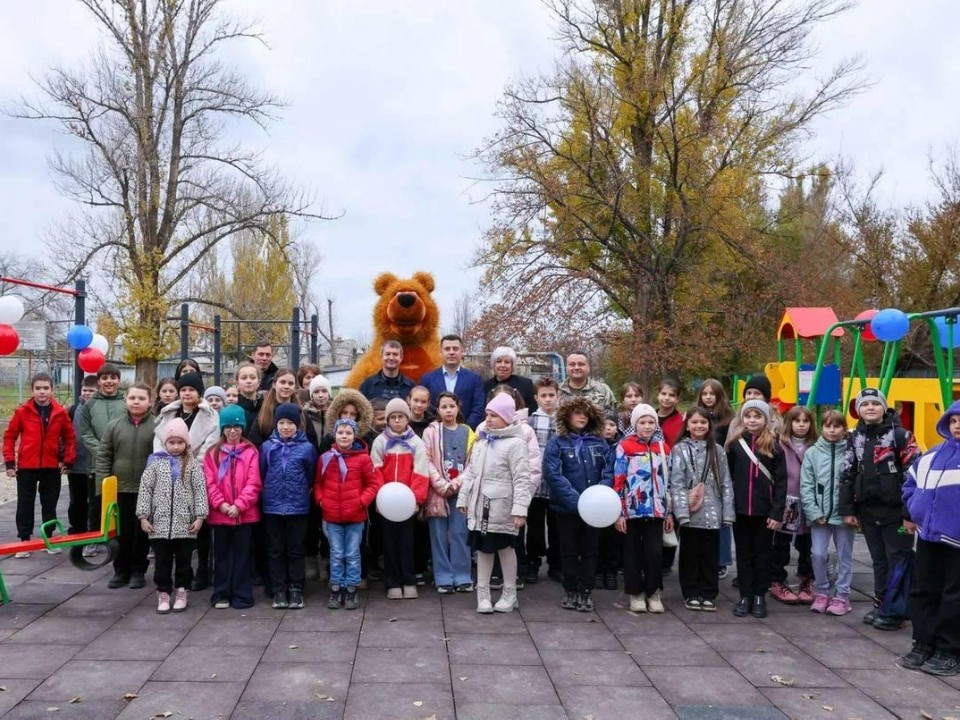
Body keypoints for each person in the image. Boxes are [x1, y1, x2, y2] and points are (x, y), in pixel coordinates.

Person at [839, 387, 921, 630]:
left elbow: (915, 475)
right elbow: (847, 473)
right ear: (858, 410)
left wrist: (910, 514)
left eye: (876, 403)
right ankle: (882, 603)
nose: (870, 408)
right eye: (865, 404)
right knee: (878, 561)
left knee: (899, 559)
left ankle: (898, 611)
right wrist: (848, 509)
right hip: (869, 510)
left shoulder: (901, 436)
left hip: (897, 512)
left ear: (884, 407)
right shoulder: (855, 437)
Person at [899, 400, 960, 676]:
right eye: (954, 420)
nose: (958, 426)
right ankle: (923, 642)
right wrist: (913, 510)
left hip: (957, 540)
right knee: (924, 589)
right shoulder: (932, 456)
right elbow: (910, 482)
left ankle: (949, 650)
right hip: (929, 536)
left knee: (954, 594)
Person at [457, 393, 532, 613]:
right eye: (487, 415)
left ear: (507, 418)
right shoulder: (481, 441)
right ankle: (483, 593)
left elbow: (521, 478)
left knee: (505, 548)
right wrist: (464, 498)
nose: (488, 419)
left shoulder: (516, 444)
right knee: (482, 549)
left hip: (502, 508)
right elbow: (470, 472)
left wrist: (520, 509)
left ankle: (510, 593)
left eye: (495, 415)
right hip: (480, 508)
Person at [543, 396, 615, 611]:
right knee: (569, 550)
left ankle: (586, 589)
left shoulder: (600, 443)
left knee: (591, 550)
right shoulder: (557, 442)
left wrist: (597, 500)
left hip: (595, 511)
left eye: (585, 413)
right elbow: (553, 474)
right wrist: (577, 502)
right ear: (567, 416)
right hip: (567, 509)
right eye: (577, 413)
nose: (582, 417)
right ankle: (571, 588)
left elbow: (609, 472)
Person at [153, 371, 220, 591]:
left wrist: (189, 466)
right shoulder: (169, 413)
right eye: (183, 390)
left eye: (191, 389)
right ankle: (180, 572)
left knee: (198, 525)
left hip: (195, 474)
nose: (187, 393)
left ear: (199, 392)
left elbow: (210, 446)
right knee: (175, 525)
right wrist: (167, 465)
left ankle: (202, 570)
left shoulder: (209, 415)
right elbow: (159, 443)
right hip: (167, 476)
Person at [136, 418, 208, 614]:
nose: (176, 447)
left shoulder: (193, 466)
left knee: (184, 562)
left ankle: (182, 590)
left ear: (186, 443)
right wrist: (144, 516)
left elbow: (200, 491)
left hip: (185, 525)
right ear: (165, 443)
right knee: (162, 562)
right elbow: (146, 490)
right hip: (159, 524)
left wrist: (200, 516)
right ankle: (163, 592)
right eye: (171, 442)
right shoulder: (155, 464)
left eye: (180, 442)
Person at [725, 399, 787, 618]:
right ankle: (745, 595)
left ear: (765, 419)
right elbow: (728, 477)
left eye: (757, 416)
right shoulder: (734, 445)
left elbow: (781, 482)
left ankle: (760, 595)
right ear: (743, 418)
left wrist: (777, 512)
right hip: (741, 510)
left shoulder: (775, 446)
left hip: (764, 511)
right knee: (743, 554)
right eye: (748, 416)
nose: (752, 420)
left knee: (763, 554)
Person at [3, 373, 76, 555]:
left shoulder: (60, 413)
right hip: (27, 466)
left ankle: (48, 539)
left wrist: (67, 460)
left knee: (49, 503)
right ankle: (25, 541)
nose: (42, 392)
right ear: (32, 390)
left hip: (51, 466)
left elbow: (69, 437)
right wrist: (10, 462)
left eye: (45, 388)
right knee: (25, 504)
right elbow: (10, 436)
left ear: (52, 390)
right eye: (38, 388)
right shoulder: (22, 412)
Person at [671, 407, 734, 612]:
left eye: (703, 422)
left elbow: (726, 483)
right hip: (690, 511)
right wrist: (681, 513)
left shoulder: (718, 450)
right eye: (694, 422)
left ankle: (708, 592)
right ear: (687, 426)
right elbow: (677, 483)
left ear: (709, 426)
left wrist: (728, 513)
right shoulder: (679, 449)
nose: (699, 426)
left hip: (713, 511)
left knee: (710, 555)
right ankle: (690, 592)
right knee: (689, 555)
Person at [315, 418, 383, 610]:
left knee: (353, 553)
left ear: (354, 436)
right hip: (332, 516)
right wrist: (321, 500)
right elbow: (318, 483)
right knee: (336, 553)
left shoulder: (362, 459)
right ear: (334, 435)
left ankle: (352, 589)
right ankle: (336, 588)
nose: (344, 436)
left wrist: (361, 501)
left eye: (348, 433)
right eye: (340, 433)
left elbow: (372, 484)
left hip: (355, 516)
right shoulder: (326, 458)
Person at [96, 382, 157, 590]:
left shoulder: (157, 427)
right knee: (120, 533)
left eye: (141, 398)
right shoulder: (114, 426)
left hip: (146, 490)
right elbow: (104, 456)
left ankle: (138, 571)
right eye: (132, 398)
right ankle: (120, 570)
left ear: (150, 401)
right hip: (119, 489)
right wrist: (102, 487)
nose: (136, 402)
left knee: (142, 534)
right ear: (125, 400)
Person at [614, 404, 672, 613]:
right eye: (642, 422)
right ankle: (635, 592)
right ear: (635, 424)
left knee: (655, 553)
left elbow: (669, 481)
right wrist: (619, 512)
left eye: (651, 422)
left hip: (656, 510)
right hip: (631, 510)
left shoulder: (663, 448)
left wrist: (669, 512)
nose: (647, 427)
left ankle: (653, 591)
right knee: (632, 552)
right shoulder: (625, 446)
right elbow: (619, 479)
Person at [260, 403, 318, 609]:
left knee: (295, 549)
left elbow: (311, 474)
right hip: (273, 506)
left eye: (290, 423)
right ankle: (278, 589)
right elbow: (263, 472)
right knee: (275, 550)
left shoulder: (307, 448)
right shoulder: (267, 447)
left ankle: (296, 588)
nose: (286, 427)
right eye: (282, 423)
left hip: (297, 507)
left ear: (297, 425)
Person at [204, 405, 262, 610]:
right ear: (222, 428)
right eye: (228, 427)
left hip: (245, 515)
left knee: (242, 555)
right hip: (221, 515)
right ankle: (221, 592)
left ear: (243, 427)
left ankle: (242, 593)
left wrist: (239, 505)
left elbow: (253, 482)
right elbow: (209, 482)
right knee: (221, 556)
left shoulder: (251, 452)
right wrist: (221, 504)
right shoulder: (213, 453)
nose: (232, 431)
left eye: (237, 426)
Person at [370, 398, 430, 599]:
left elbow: (421, 472)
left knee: (407, 542)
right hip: (387, 504)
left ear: (407, 419)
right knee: (388, 542)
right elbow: (375, 471)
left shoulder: (416, 443)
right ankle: (392, 581)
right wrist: (380, 499)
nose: (397, 421)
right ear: (387, 420)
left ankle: (409, 579)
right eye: (393, 417)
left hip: (407, 504)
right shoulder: (380, 442)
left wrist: (417, 500)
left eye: (401, 417)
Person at [799, 410, 853, 616]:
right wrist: (813, 511)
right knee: (818, 553)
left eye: (837, 426)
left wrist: (851, 510)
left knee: (844, 555)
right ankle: (821, 590)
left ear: (844, 429)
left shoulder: (850, 451)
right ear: (822, 427)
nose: (832, 430)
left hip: (843, 513)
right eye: (828, 426)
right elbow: (807, 485)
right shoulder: (812, 453)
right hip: (819, 514)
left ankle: (842, 595)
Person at [422, 392, 475, 593]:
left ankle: (462, 575)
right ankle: (443, 576)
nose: (448, 410)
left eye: (451, 406)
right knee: (438, 534)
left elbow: (472, 463)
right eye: (443, 407)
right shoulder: (431, 432)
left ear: (458, 407)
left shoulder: (468, 432)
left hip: (460, 491)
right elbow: (425, 459)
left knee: (460, 532)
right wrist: (441, 484)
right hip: (437, 491)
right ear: (438, 409)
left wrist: (457, 483)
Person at [770, 405, 817, 605]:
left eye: (805, 421)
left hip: (808, 500)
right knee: (780, 543)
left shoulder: (816, 445)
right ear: (790, 423)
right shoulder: (779, 444)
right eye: (797, 421)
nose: (801, 425)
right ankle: (777, 579)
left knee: (808, 543)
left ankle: (807, 578)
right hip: (787, 500)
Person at [696, 379, 735, 577]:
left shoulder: (728, 419)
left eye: (712, 393)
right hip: (699, 472)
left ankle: (721, 560)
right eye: (705, 393)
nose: (708, 397)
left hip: (720, 472)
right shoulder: (696, 416)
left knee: (720, 518)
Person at [527, 376, 561, 583]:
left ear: (558, 397)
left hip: (557, 483)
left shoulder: (564, 420)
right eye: (544, 396)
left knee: (557, 525)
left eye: (551, 395)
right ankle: (533, 561)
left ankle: (556, 564)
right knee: (535, 525)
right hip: (536, 483)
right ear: (536, 398)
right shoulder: (530, 421)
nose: (548, 399)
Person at [302, 373, 332, 582]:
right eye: (317, 392)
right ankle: (310, 557)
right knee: (311, 519)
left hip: (331, 474)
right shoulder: (304, 416)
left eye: (324, 391)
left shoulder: (335, 415)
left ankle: (328, 559)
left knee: (329, 519)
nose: (320, 396)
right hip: (310, 473)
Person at [420, 334, 486, 428]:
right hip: (435, 433)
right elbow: (425, 407)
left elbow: (478, 408)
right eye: (447, 349)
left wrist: (464, 430)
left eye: (455, 349)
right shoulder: (427, 379)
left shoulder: (475, 379)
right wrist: (436, 428)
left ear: (462, 351)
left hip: (465, 433)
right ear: (440, 352)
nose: (451, 352)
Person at [67, 375, 99, 551]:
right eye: (85, 390)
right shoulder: (73, 410)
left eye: (91, 391)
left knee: (95, 502)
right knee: (76, 501)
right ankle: (77, 531)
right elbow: (66, 434)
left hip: (94, 464)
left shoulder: (99, 409)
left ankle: (93, 535)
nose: (87, 394)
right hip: (76, 463)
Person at [252, 367, 301, 446]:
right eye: (282, 382)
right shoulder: (263, 414)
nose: (286, 386)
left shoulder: (301, 413)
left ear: (295, 387)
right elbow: (255, 443)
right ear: (274, 384)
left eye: (291, 383)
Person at [483, 346, 537, 413]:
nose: (502, 365)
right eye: (499, 361)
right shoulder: (486, 386)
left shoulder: (526, 384)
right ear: (493, 364)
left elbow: (532, 409)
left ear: (512, 366)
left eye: (507, 362)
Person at [234, 363, 263, 443]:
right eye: (244, 378)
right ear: (237, 383)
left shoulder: (266, 407)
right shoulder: (233, 409)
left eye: (253, 378)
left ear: (259, 382)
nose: (249, 381)